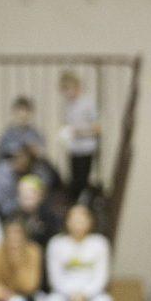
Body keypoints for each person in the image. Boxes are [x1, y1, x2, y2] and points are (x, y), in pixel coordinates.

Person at [59, 71, 100, 203]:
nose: (67, 93)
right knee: (73, 181)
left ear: (77, 86)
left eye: (68, 88)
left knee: (83, 180)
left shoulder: (88, 103)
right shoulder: (68, 105)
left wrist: (79, 132)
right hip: (73, 148)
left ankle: (83, 205)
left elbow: (97, 129)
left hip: (86, 148)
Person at [0, 96, 46, 163]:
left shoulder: (36, 134)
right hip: (10, 167)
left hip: (31, 167)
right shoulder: (7, 135)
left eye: (26, 111)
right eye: (20, 110)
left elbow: (41, 152)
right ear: (14, 112)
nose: (23, 114)